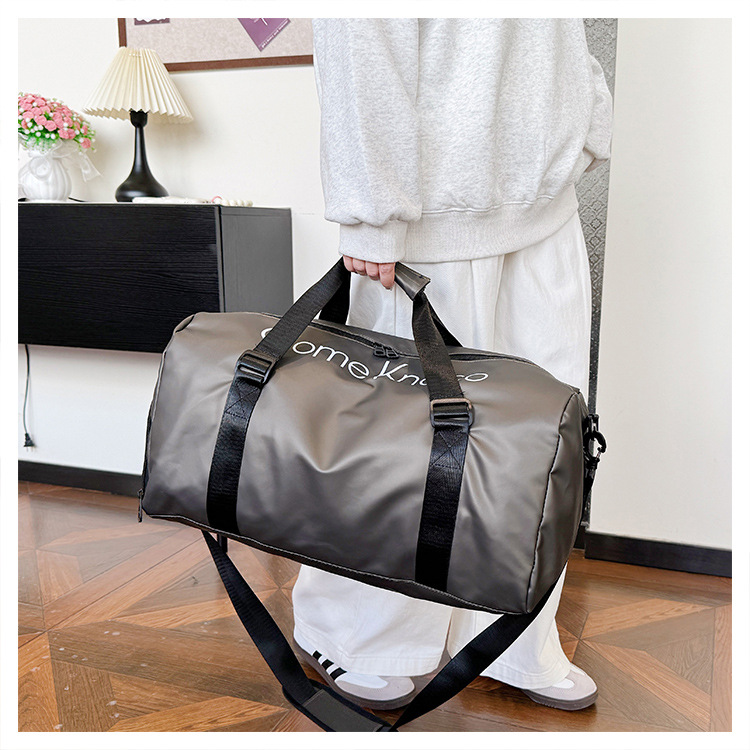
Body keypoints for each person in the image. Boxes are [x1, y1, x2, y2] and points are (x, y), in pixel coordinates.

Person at [292, 18, 613, 712]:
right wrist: (372, 212)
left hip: (545, 210)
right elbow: (361, 35)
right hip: (423, 222)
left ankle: (512, 641)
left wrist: (587, 124)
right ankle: (353, 636)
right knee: (396, 450)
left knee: (535, 448)